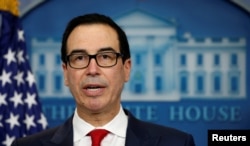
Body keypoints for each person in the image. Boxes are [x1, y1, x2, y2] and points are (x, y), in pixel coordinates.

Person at [11, 13, 195, 146]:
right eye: (80, 58)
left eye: (106, 57)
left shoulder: (178, 143)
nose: (92, 70)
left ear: (126, 69)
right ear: (66, 73)